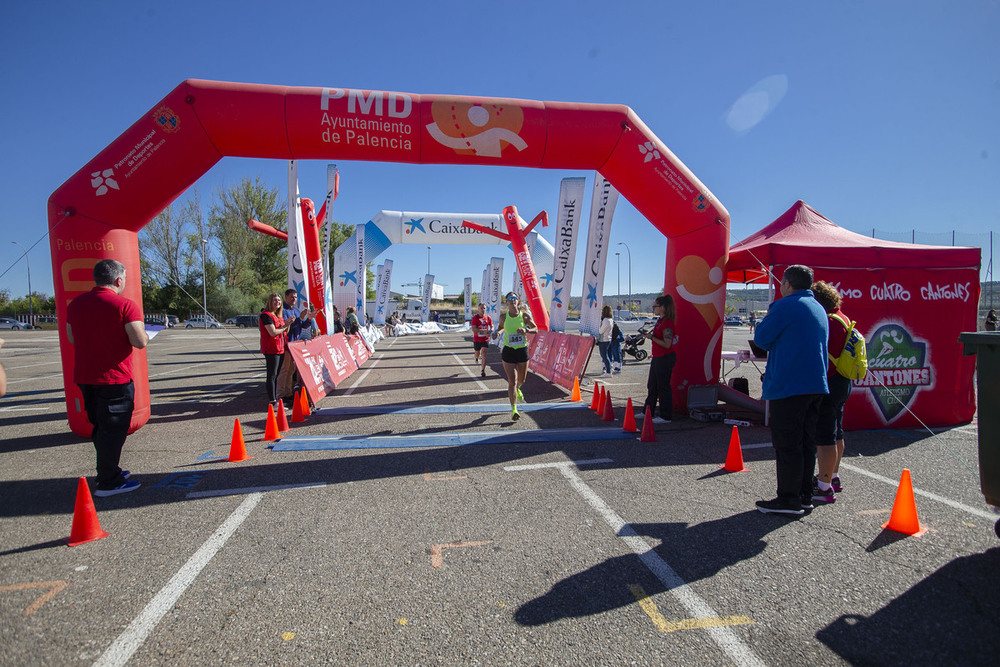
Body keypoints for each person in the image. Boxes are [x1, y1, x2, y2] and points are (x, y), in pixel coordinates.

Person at [66, 259, 148, 497]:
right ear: (118, 280)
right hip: (114, 378)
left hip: (85, 376)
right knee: (114, 430)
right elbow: (139, 341)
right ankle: (108, 481)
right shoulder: (125, 305)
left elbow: (72, 338)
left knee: (100, 427)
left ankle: (110, 470)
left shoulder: (76, 304)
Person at [753, 265, 829, 516]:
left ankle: (788, 499)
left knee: (787, 444)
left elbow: (762, 339)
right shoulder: (818, 307)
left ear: (786, 283)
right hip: (815, 384)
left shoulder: (785, 305)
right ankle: (804, 494)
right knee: (807, 442)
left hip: (789, 385)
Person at [811, 281, 851, 503]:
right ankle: (833, 476)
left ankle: (824, 486)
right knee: (837, 431)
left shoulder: (828, 321)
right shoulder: (842, 317)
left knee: (825, 435)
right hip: (843, 381)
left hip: (830, 380)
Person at [493, 292, 536, 421]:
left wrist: (526, 330)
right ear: (506, 302)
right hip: (508, 351)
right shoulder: (503, 317)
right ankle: (514, 410)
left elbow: (536, 329)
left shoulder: (525, 316)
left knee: (521, 380)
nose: (512, 301)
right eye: (510, 299)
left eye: (514, 298)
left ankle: (518, 388)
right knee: (511, 381)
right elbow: (501, 328)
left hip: (522, 350)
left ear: (518, 301)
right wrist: (497, 333)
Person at [643, 294, 678, 424]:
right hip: (658, 357)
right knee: (652, 385)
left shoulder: (668, 323)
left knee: (663, 386)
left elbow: (667, 344)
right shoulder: (660, 321)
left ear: (662, 307)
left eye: (655, 306)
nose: (654, 308)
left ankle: (665, 415)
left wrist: (651, 338)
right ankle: (648, 411)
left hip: (665, 358)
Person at [277, 290, 313, 402]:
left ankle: (288, 392)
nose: (294, 299)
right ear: (286, 297)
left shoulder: (296, 311)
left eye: (295, 297)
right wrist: (300, 319)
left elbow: (302, 326)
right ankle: (281, 394)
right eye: (292, 297)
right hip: (287, 343)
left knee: (291, 370)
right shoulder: (283, 311)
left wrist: (309, 319)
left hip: (295, 345)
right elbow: (286, 327)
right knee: (285, 369)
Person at [259, 292, 290, 410]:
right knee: (271, 375)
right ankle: (272, 401)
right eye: (275, 300)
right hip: (271, 349)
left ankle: (276, 399)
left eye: (279, 300)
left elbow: (284, 330)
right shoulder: (266, 315)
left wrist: (288, 324)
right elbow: (272, 332)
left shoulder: (278, 315)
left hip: (280, 348)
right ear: (270, 302)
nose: (277, 302)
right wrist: (283, 327)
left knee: (277, 375)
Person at [470, 302, 493, 377]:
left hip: (485, 339)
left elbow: (492, 326)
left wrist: (490, 330)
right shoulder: (475, 318)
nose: (483, 309)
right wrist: (482, 331)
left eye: (484, 308)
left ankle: (483, 370)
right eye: (481, 308)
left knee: (484, 354)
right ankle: (476, 357)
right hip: (477, 339)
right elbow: (474, 329)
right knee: (477, 353)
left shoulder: (488, 317)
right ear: (478, 309)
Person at [597, 305, 614, 377]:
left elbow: (601, 331)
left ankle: (608, 372)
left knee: (604, 356)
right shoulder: (610, 320)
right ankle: (609, 369)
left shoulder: (606, 320)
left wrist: (597, 329)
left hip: (604, 340)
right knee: (607, 355)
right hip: (608, 339)